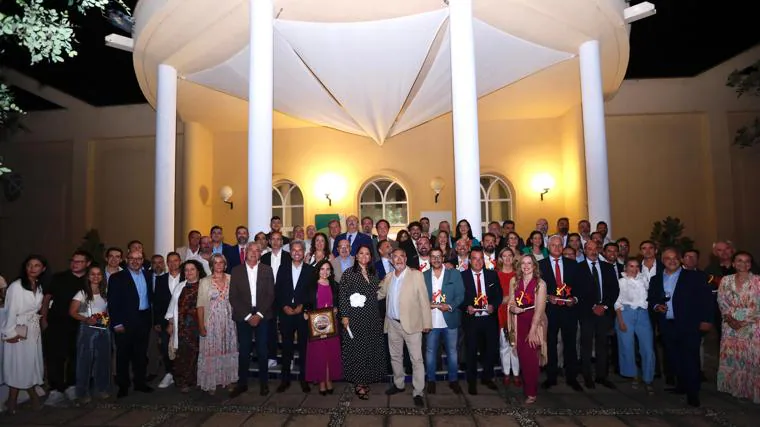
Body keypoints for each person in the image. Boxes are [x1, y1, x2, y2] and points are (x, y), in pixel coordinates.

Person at [648, 247, 713, 407]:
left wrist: (706, 320)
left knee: (690, 358)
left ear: (681, 260)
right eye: (667, 258)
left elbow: (707, 299)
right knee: (674, 358)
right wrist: (657, 306)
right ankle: (681, 386)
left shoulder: (695, 277)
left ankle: (693, 393)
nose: (671, 260)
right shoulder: (656, 279)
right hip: (668, 325)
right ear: (662, 261)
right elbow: (652, 298)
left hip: (689, 324)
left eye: (675, 257)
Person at [378, 248, 432, 407]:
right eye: (395, 257)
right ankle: (399, 384)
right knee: (395, 357)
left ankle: (418, 391)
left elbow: (424, 299)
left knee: (416, 360)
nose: (399, 259)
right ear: (391, 260)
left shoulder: (416, 275)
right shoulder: (388, 277)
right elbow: (378, 294)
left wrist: (427, 323)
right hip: (392, 324)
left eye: (402, 256)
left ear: (406, 258)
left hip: (413, 324)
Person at [339, 244, 387, 400]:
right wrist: (345, 316)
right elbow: (343, 296)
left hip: (372, 316)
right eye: (361, 253)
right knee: (358, 349)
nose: (365, 256)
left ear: (370, 257)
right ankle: (359, 383)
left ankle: (366, 379)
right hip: (355, 317)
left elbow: (377, 293)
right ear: (356, 256)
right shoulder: (349, 273)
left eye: (367, 254)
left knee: (369, 348)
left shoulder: (374, 273)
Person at [229, 242, 275, 398]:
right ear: (245, 252)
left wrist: (259, 314)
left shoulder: (267, 270)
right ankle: (242, 383)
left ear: (260, 253)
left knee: (262, 350)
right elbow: (233, 297)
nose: (254, 253)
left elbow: (270, 294)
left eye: (257, 250)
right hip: (243, 315)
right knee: (244, 350)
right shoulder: (236, 271)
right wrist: (248, 316)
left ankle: (264, 384)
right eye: (251, 250)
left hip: (263, 314)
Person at [2, 255, 47, 413]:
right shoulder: (16, 286)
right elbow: (10, 311)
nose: (32, 268)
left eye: (36, 265)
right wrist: (10, 333)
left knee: (30, 362)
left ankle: (13, 400)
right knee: (18, 364)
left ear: (43, 269)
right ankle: (17, 400)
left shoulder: (39, 285)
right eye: (29, 265)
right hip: (18, 328)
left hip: (33, 329)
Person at [108, 249, 155, 398]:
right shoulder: (116, 278)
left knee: (141, 355)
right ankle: (123, 386)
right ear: (127, 260)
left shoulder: (148, 275)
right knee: (123, 355)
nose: (136, 261)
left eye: (139, 259)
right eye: (132, 259)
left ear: (143, 260)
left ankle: (140, 383)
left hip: (144, 320)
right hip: (125, 322)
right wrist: (116, 323)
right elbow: (112, 302)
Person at [717, 251, 759, 403]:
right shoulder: (726, 280)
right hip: (730, 325)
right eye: (739, 260)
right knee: (733, 357)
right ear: (733, 263)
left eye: (747, 261)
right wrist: (729, 318)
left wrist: (744, 321)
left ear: (750, 264)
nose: (743, 264)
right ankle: (734, 388)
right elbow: (721, 300)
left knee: (752, 358)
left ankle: (751, 391)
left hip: (753, 326)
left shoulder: (758, 281)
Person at [423, 248, 465, 394]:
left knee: (452, 352)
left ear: (443, 258)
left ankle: (453, 381)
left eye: (438, 256)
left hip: (450, 320)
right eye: (433, 257)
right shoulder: (424, 276)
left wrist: (450, 306)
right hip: (431, 321)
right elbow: (420, 297)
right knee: (430, 352)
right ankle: (431, 381)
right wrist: (425, 304)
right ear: (429, 259)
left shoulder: (454, 273)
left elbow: (461, 295)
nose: (435, 259)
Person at [507, 254, 547, 404]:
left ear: (534, 265)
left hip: (534, 322)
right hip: (519, 322)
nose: (526, 266)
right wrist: (513, 308)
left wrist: (532, 331)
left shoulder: (540, 284)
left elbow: (540, 309)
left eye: (529, 263)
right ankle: (528, 388)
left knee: (531, 358)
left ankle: (532, 392)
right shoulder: (514, 281)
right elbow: (511, 301)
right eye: (523, 263)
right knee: (523, 358)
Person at [461, 247, 502, 395]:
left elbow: (499, 295)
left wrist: (494, 306)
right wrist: (466, 307)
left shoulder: (492, 275)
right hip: (471, 320)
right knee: (471, 351)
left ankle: (487, 377)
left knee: (490, 350)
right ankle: (472, 381)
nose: (477, 262)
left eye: (480, 259)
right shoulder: (462, 276)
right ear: (469, 260)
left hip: (489, 319)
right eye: (474, 259)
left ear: (484, 261)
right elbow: (459, 297)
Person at [69, 265, 111, 403]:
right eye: (93, 274)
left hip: (104, 329)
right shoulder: (82, 293)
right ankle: (82, 393)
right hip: (87, 329)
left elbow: (106, 309)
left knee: (103, 361)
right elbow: (73, 312)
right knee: (84, 361)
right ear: (88, 276)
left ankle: (101, 389)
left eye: (99, 274)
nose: (96, 277)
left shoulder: (104, 291)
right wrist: (86, 319)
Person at [197, 254, 238, 394]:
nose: (219, 265)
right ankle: (211, 382)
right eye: (216, 263)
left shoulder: (232, 279)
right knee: (212, 351)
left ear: (225, 265)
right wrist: (201, 326)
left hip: (229, 322)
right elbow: (200, 306)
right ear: (211, 265)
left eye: (221, 262)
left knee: (227, 350)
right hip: (211, 322)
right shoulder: (204, 281)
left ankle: (228, 380)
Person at [614, 258, 656, 394]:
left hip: (643, 314)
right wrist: (620, 321)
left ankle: (648, 379)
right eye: (631, 266)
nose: (634, 269)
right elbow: (617, 303)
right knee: (627, 346)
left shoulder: (644, 280)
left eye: (636, 266)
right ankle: (634, 375)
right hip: (625, 313)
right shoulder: (621, 282)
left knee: (648, 349)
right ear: (626, 267)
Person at [165, 260, 206, 393]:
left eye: (192, 269)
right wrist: (171, 323)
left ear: (198, 271)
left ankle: (200, 380)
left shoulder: (205, 286)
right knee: (183, 355)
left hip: (199, 326)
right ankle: (183, 382)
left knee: (200, 354)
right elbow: (172, 306)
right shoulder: (180, 286)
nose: (189, 272)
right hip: (182, 327)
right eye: (186, 270)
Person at [304, 260, 343, 395]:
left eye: (327, 269)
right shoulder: (311, 286)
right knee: (319, 354)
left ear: (331, 271)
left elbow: (339, 303)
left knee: (330, 353)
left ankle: (329, 379)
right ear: (318, 270)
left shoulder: (335, 285)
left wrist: (337, 309)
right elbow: (307, 304)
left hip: (332, 325)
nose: (325, 272)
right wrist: (305, 313)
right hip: (317, 326)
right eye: (322, 269)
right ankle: (321, 381)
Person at [496, 247, 520, 386]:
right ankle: (506, 373)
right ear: (500, 258)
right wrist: (501, 299)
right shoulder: (496, 275)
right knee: (504, 345)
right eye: (504, 256)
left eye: (510, 255)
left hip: (515, 313)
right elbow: (492, 294)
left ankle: (516, 374)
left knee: (515, 345)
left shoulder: (518, 274)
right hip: (501, 312)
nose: (507, 258)